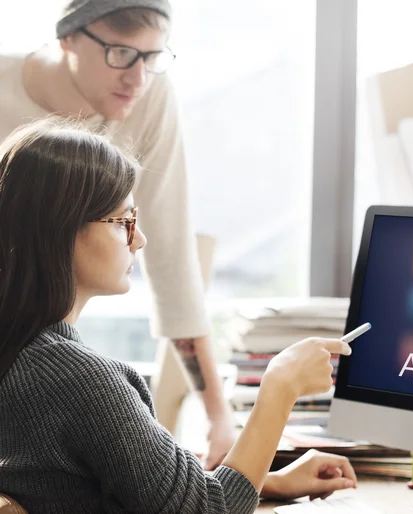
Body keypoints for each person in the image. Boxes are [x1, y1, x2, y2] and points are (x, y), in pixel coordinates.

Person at [0, 118, 357, 513]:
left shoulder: (22, 356)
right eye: (124, 222)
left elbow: (97, 489)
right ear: (61, 231)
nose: (140, 239)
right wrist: (281, 387)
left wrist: (266, 482)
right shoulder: (78, 381)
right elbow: (208, 510)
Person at [0, 0, 236, 468]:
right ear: (67, 37)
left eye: (153, 57)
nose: (138, 78)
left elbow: (170, 257)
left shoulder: (150, 95)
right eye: (121, 53)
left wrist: (218, 417)